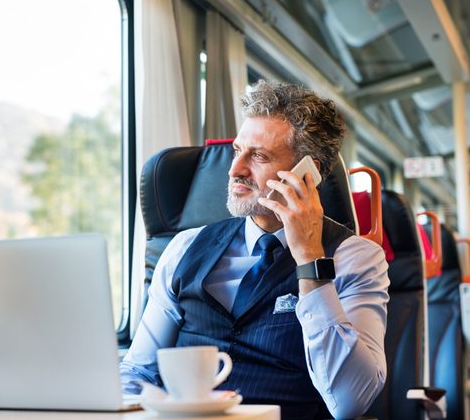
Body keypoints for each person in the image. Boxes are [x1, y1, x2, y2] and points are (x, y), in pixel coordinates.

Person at [121, 80, 389, 420]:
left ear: (309, 174)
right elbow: (138, 371)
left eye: (258, 156)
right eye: (237, 151)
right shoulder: (185, 246)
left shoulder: (355, 258)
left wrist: (309, 260)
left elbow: (350, 402)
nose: (235, 170)